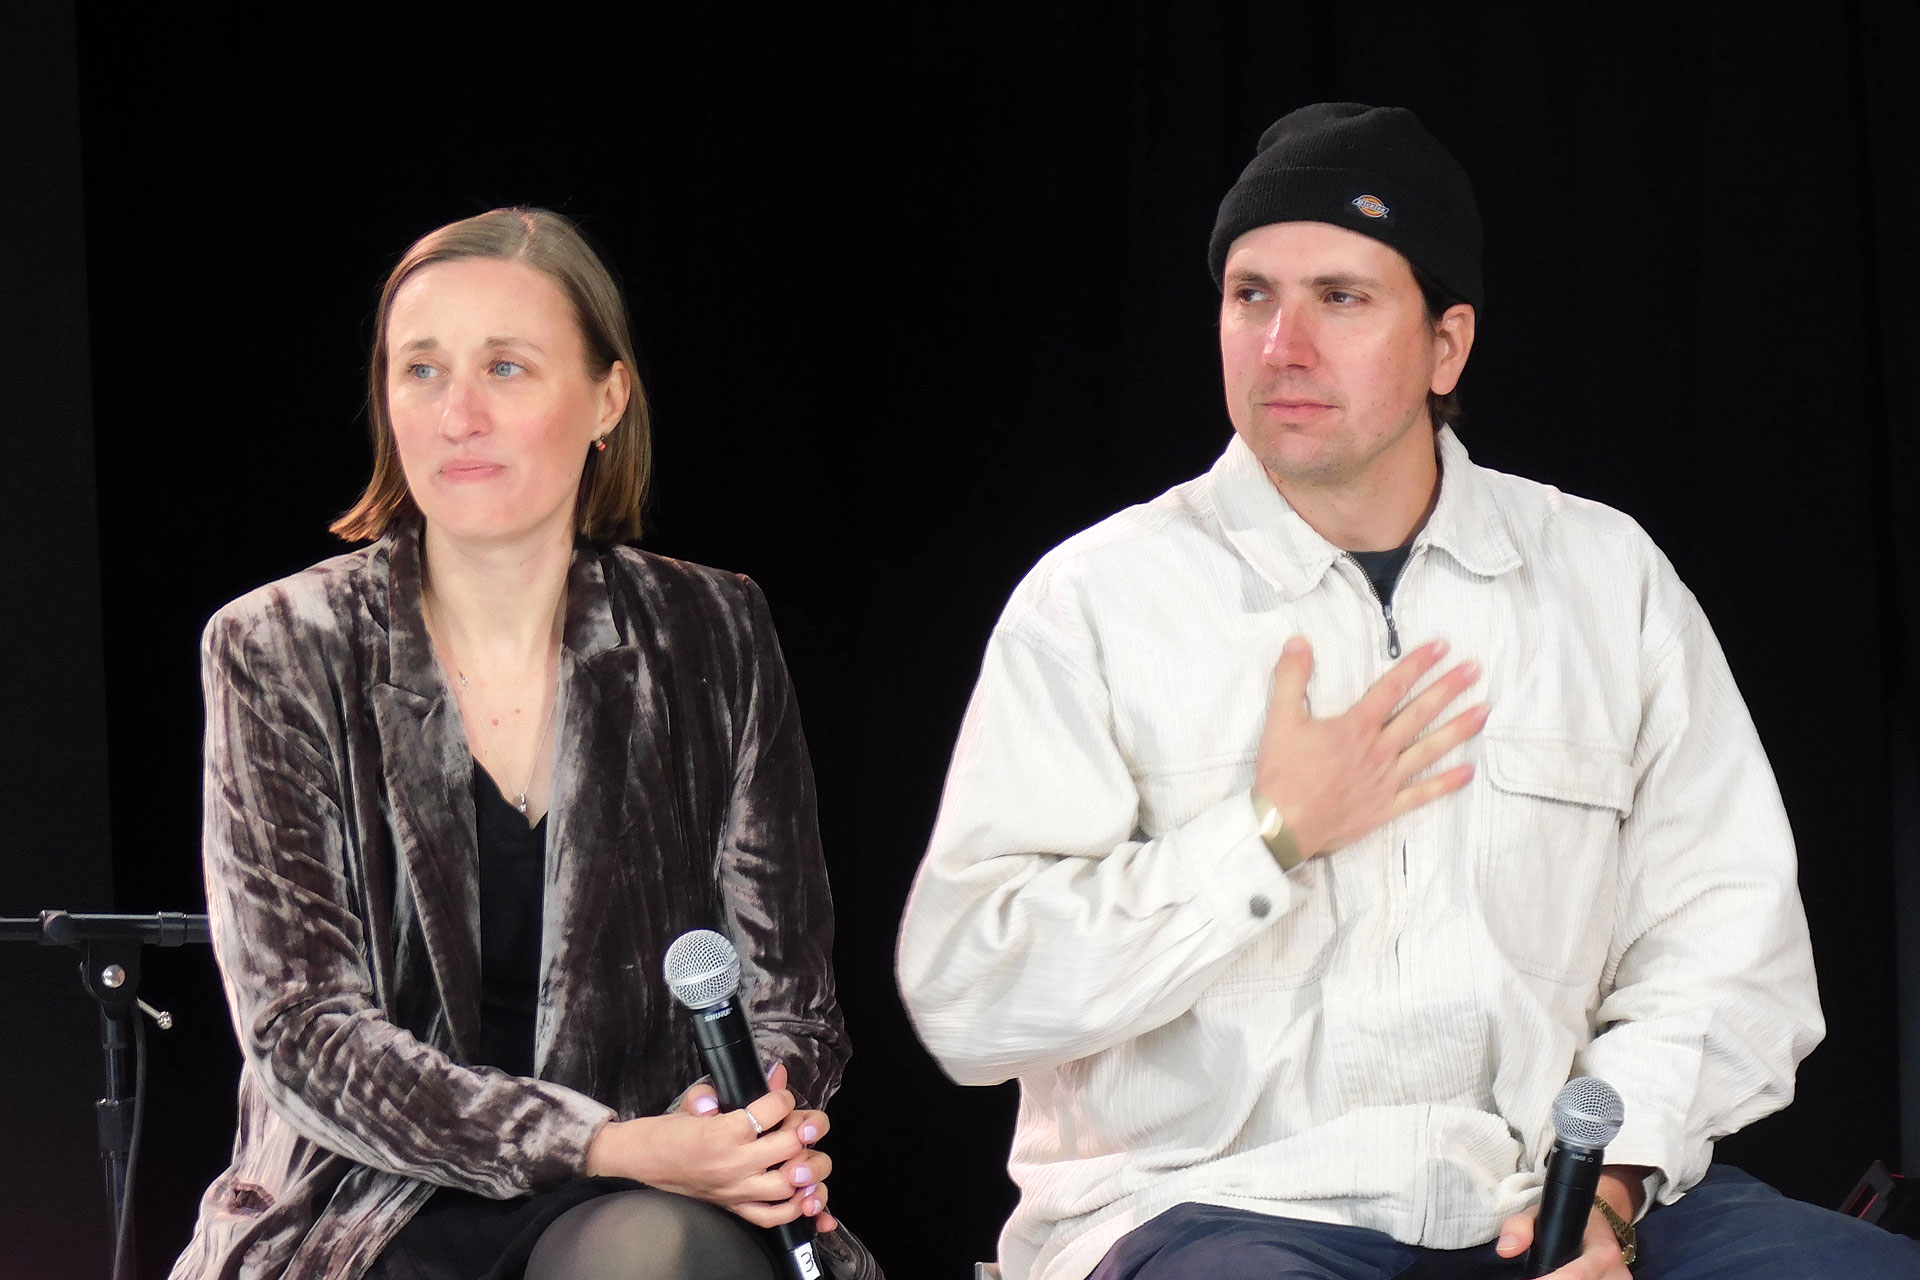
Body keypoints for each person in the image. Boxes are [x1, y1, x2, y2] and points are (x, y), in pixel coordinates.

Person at [896, 104, 1920, 1280]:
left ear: (1447, 345)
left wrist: (1608, 1186)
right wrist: (1267, 835)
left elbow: (1729, 939)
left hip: (1545, 1191)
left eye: (1341, 297)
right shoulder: (1096, 602)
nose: (1282, 343)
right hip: (1217, 1210)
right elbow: (969, 990)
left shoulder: (1606, 578)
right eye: (1250, 295)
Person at [169, 209, 878, 1280]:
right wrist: (605, 1142)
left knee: (654, 1251)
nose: (458, 415)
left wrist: (727, 1128)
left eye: (505, 367)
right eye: (421, 370)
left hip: (650, 1197)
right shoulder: (278, 646)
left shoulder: (712, 630)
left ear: (607, 399)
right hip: (367, 1204)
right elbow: (304, 1033)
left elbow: (789, 1006)